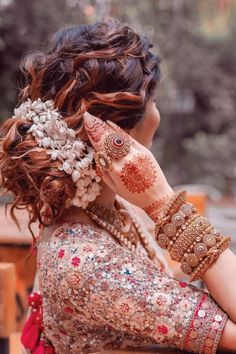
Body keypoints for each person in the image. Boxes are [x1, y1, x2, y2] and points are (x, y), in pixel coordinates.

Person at [0, 19, 236, 354]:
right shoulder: (87, 262)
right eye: (152, 101)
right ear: (114, 134)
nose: (157, 114)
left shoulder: (101, 209)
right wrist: (164, 202)